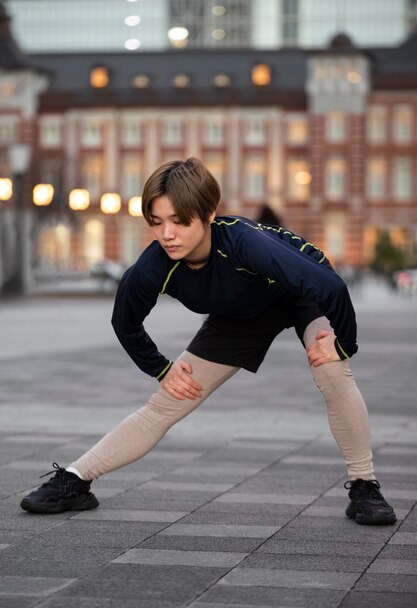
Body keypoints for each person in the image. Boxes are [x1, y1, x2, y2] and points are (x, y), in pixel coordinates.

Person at [20, 157, 396, 525]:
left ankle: (364, 485)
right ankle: (75, 480)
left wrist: (343, 344)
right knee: (165, 404)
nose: (167, 234)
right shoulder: (153, 267)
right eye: (157, 222)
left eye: (179, 222)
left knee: (331, 370)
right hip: (237, 317)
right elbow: (125, 322)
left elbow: (330, 286)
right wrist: (161, 369)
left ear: (208, 214)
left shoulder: (247, 245)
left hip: (295, 295)